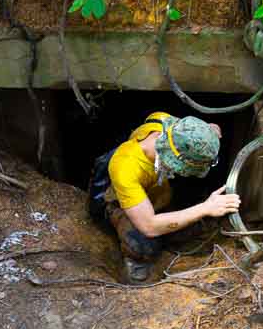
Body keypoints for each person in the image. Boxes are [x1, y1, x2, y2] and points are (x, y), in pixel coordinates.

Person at [88, 112, 241, 283]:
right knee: (144, 245)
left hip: (156, 190)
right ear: (174, 159)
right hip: (124, 202)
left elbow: (210, 129)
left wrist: (209, 132)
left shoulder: (167, 124)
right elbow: (149, 225)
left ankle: (168, 225)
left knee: (180, 209)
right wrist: (205, 208)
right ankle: (135, 259)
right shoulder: (125, 167)